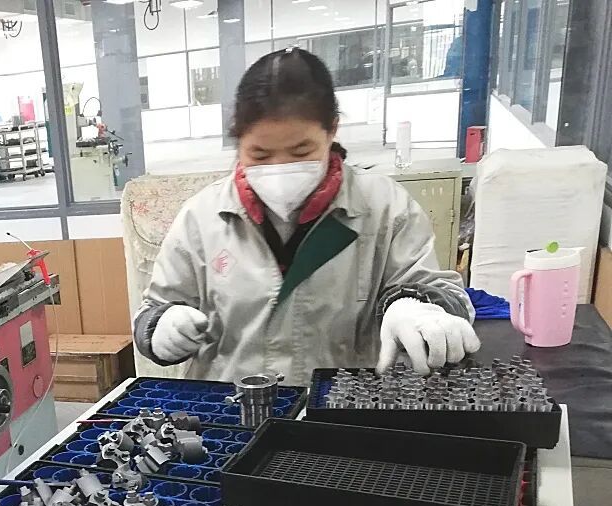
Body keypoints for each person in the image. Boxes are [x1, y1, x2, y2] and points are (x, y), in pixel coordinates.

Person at [133, 48, 479, 384]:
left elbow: (446, 294)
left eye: (301, 151)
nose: (280, 168)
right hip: (227, 411)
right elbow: (154, 309)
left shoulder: (384, 208)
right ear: (238, 143)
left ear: (332, 130)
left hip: (336, 409)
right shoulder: (202, 217)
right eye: (260, 155)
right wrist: (161, 327)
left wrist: (414, 306)